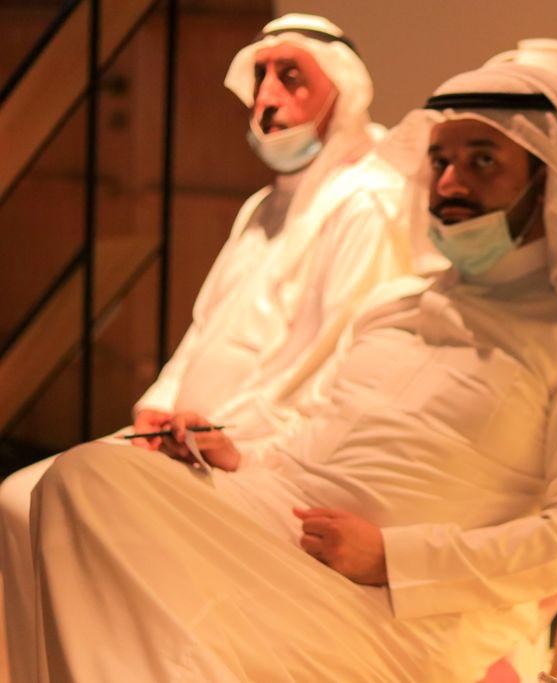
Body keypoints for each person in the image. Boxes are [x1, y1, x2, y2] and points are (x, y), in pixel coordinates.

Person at [25, 62, 557, 682]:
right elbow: (314, 428)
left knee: (135, 597)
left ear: (546, 180)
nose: (450, 184)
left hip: (405, 604)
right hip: (273, 521)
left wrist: (393, 558)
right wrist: (238, 454)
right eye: (440, 161)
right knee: (87, 477)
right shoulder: (398, 302)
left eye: (483, 160)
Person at [0, 13, 413, 682]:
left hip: (254, 453)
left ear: (342, 90)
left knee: (31, 499)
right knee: (17, 498)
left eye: (291, 77)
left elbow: (336, 362)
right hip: (183, 439)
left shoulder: (368, 203)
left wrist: (230, 441)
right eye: (260, 76)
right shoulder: (263, 206)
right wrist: (158, 405)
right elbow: (204, 329)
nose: (266, 98)